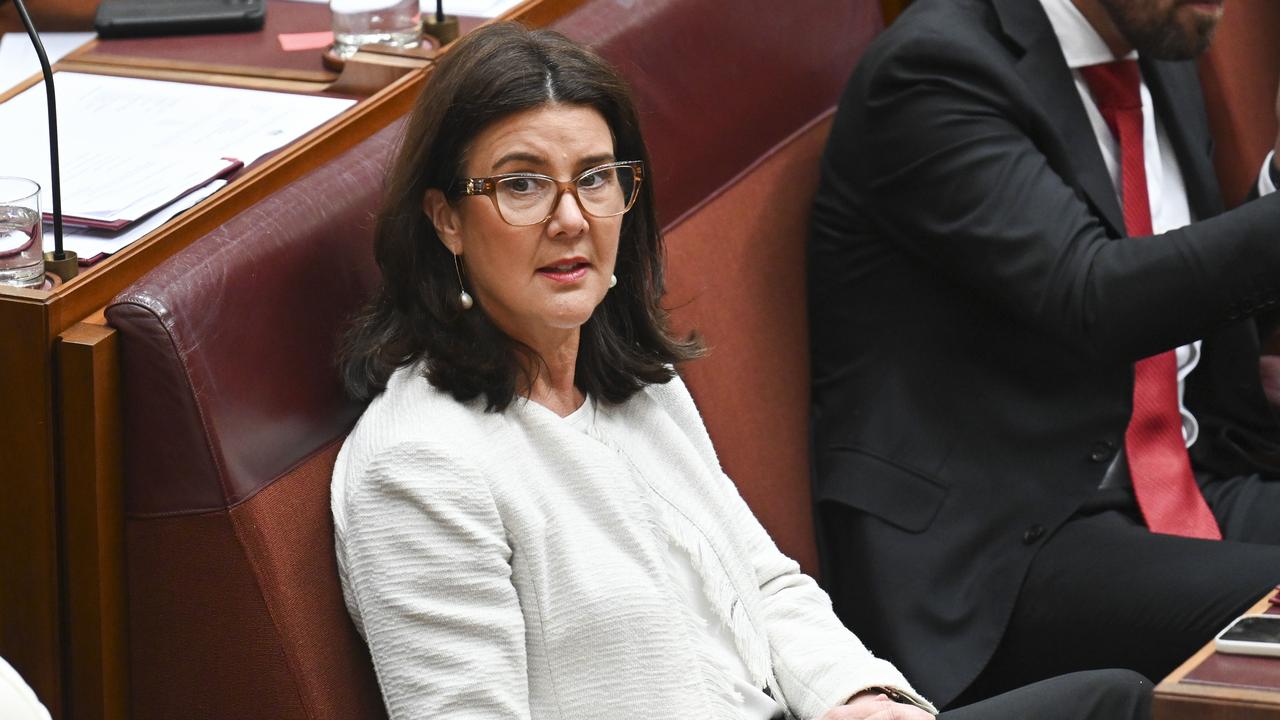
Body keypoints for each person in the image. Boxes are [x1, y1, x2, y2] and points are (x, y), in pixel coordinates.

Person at [333, 20, 1150, 720]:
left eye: (595, 178)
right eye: (520, 185)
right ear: (444, 217)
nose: (571, 218)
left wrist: (856, 697)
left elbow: (764, 583)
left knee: (1115, 700)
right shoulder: (418, 468)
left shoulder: (631, 382)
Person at [809, 0, 1280, 710]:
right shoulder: (934, 74)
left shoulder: (1159, 34)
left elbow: (1197, 280)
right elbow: (1096, 298)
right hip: (1016, 548)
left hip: (1187, 475)